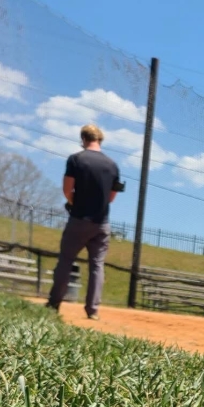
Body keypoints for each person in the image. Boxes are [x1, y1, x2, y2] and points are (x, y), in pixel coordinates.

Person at [47, 124, 123, 320]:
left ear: (83, 139)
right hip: (102, 222)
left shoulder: (76, 159)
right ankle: (93, 310)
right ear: (100, 140)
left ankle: (54, 303)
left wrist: (74, 202)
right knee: (97, 265)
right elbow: (111, 198)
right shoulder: (113, 165)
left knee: (66, 260)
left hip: (79, 219)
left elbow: (67, 190)